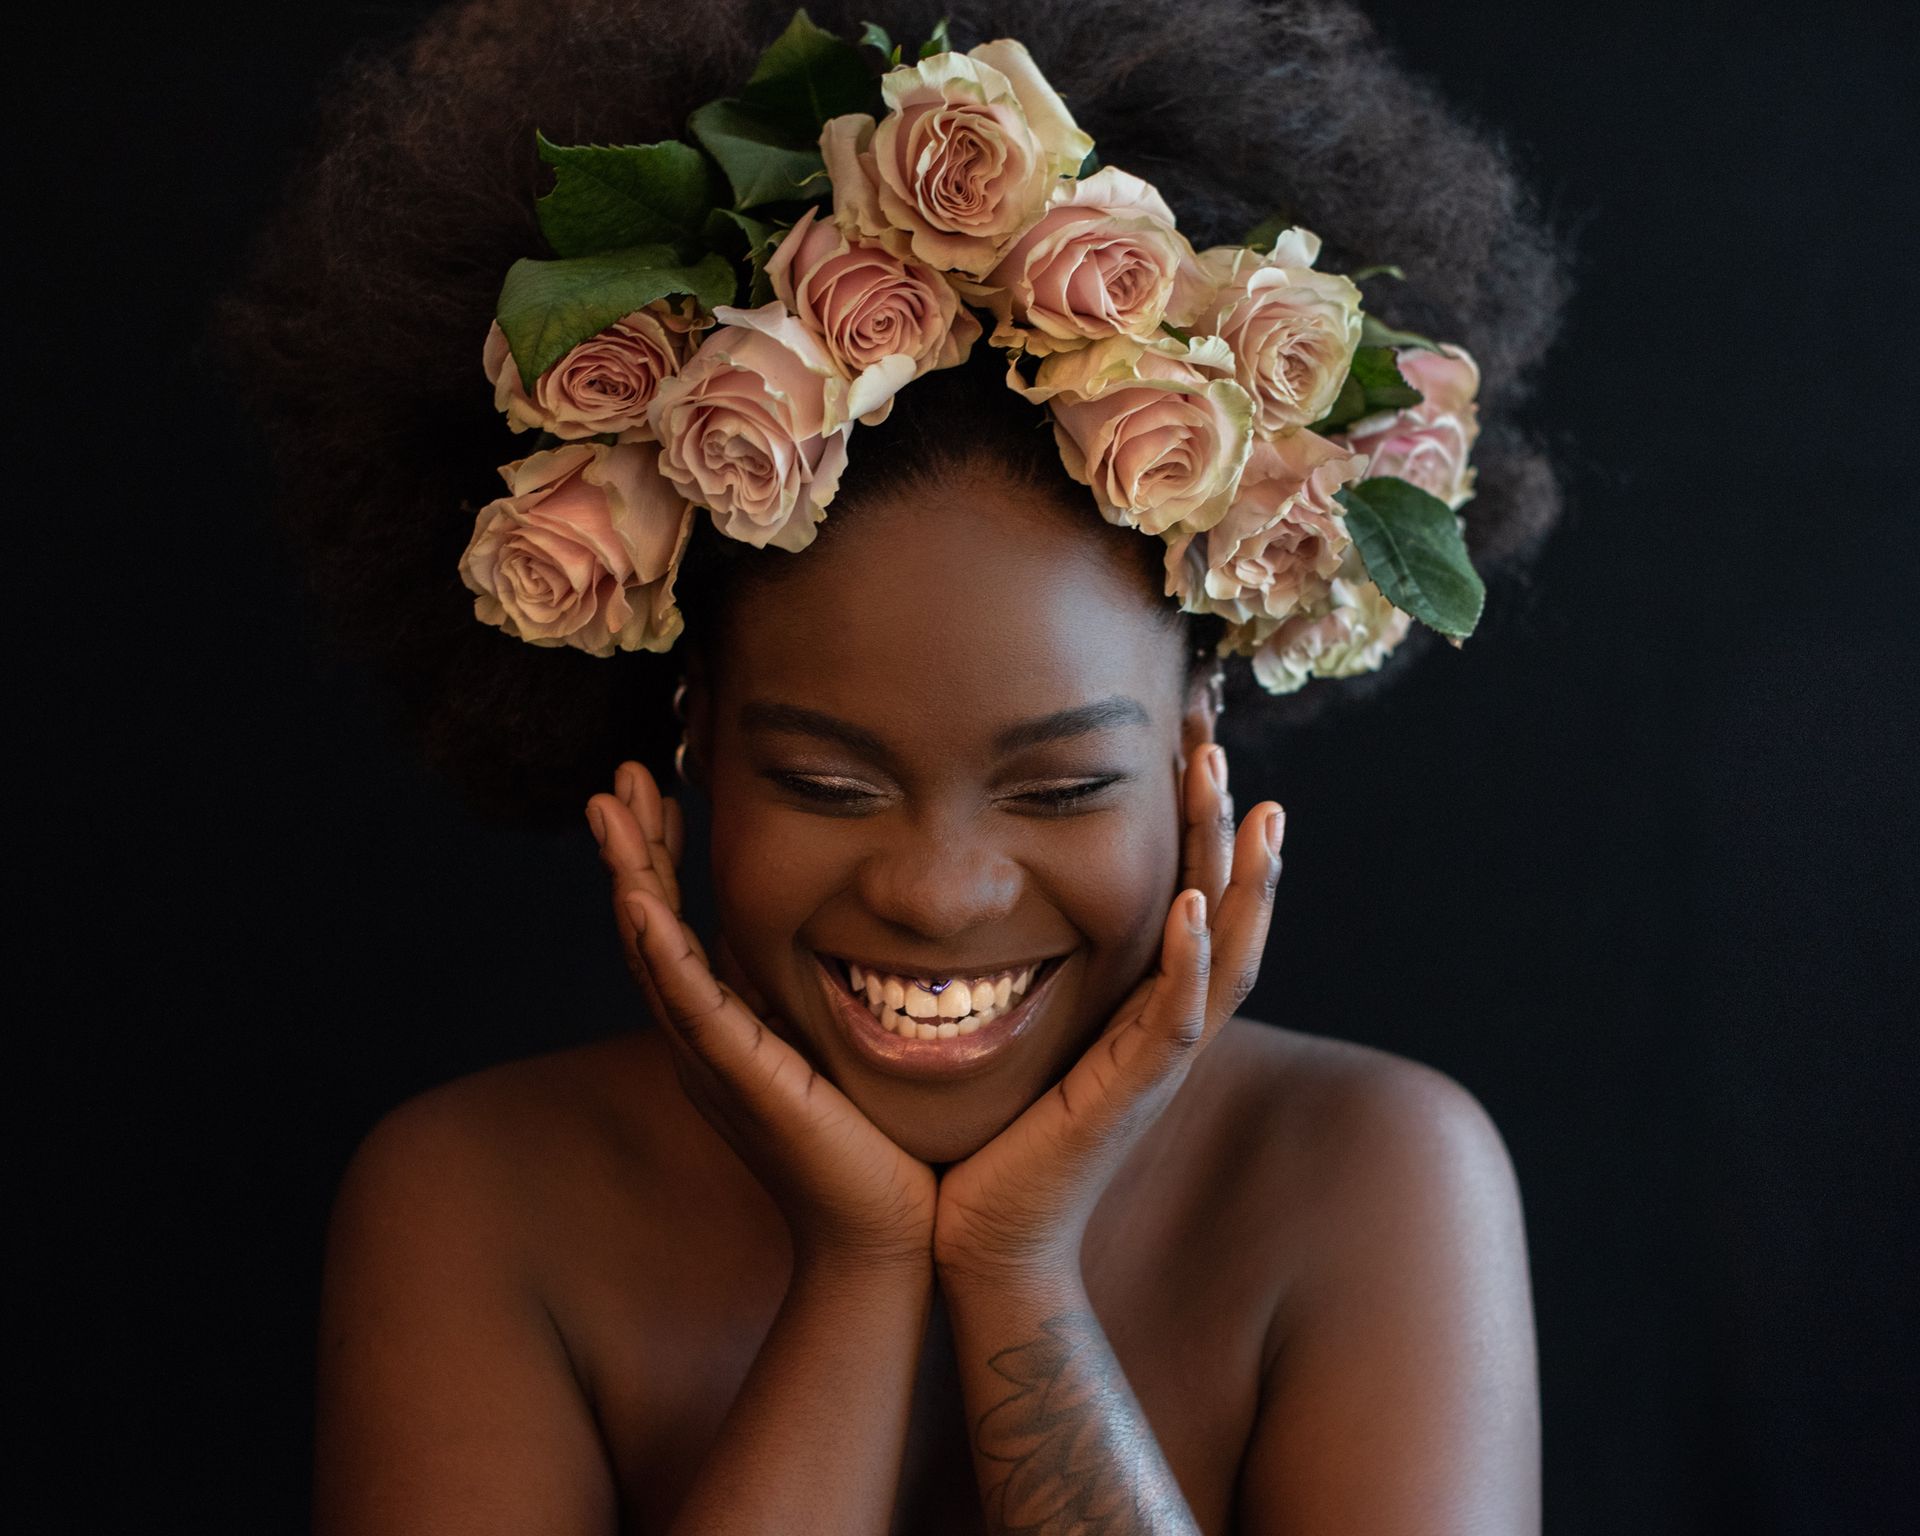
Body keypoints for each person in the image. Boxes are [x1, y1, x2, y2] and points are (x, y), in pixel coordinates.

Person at [223, 1, 1567, 1529]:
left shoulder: (1378, 1182)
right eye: (828, 782)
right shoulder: (477, 1203)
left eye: (1061, 789)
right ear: (693, 734)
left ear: (1197, 748)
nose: (939, 894)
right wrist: (862, 1264)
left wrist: (1014, 1270)